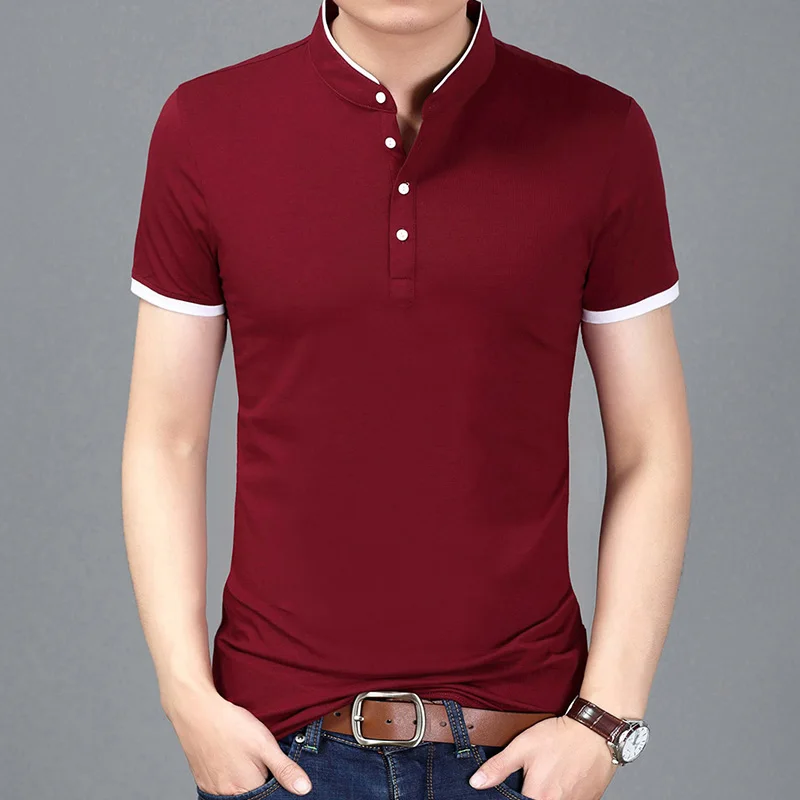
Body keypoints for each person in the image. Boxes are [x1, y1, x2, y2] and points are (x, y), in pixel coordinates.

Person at [120, 1, 693, 798]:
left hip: (521, 749)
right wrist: (185, 695)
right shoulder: (206, 126)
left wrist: (606, 721)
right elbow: (166, 437)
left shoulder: (601, 133)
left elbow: (651, 447)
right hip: (280, 751)